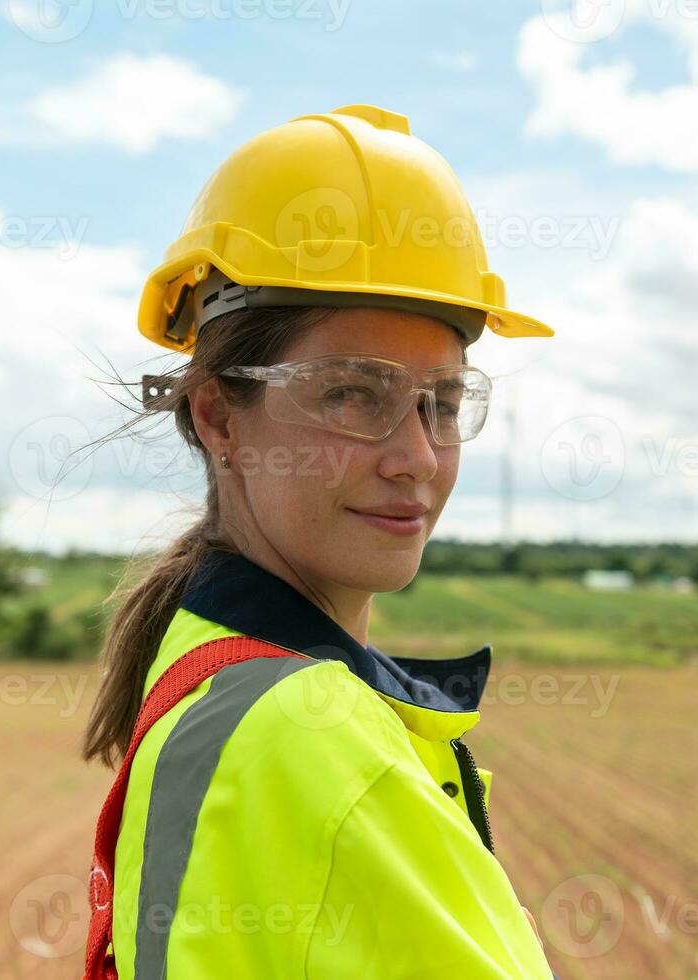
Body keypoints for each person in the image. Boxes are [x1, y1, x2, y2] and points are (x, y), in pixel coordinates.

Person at [82, 104, 557, 979]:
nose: (416, 457)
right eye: (352, 395)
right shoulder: (313, 737)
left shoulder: (206, 665)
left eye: (442, 404)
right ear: (219, 414)